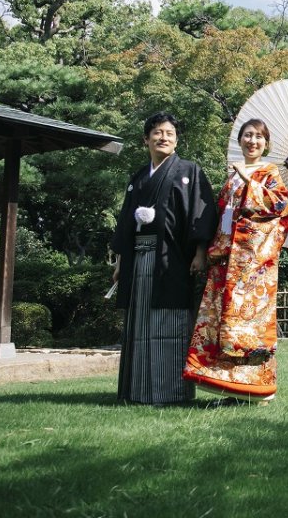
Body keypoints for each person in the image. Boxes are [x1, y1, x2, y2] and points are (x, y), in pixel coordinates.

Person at [183, 118, 288, 401]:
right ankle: (226, 384)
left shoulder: (269, 173)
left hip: (253, 266)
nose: (252, 141)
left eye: (258, 137)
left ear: (266, 144)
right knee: (220, 322)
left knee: (247, 326)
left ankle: (255, 386)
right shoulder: (232, 175)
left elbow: (279, 206)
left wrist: (248, 180)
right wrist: (209, 251)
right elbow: (222, 216)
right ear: (240, 140)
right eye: (247, 135)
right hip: (226, 260)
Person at [110, 112, 215, 405]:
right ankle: (138, 390)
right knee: (140, 323)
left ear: (176, 139)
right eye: (157, 133)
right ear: (146, 140)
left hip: (172, 261)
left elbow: (201, 214)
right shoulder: (139, 177)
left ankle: (172, 392)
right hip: (138, 259)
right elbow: (125, 223)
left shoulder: (189, 171)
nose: (163, 137)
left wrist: (200, 252)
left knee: (169, 323)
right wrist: (120, 263)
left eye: (169, 133)